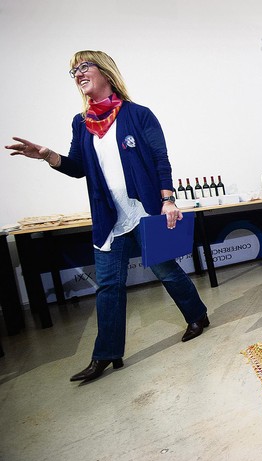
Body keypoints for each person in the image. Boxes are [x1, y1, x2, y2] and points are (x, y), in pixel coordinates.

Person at [5, 50, 209, 383]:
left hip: (143, 210)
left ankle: (197, 315)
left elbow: (161, 159)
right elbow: (78, 168)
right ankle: (106, 354)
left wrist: (168, 200)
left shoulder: (138, 115)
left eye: (84, 66)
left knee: (166, 271)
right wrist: (48, 156)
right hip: (109, 218)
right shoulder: (81, 122)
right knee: (109, 286)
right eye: (73, 71)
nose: (78, 74)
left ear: (105, 71)